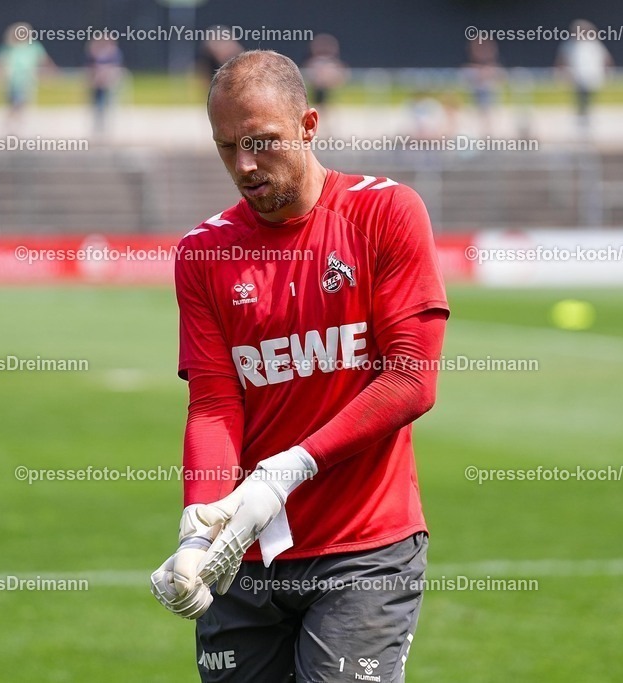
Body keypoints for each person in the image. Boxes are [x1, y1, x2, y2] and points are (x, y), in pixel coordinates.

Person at [150, 50, 449, 682]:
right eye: (227, 147)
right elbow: (213, 403)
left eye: (261, 142)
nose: (245, 166)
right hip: (243, 554)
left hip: (363, 549)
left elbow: (410, 379)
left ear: (309, 126)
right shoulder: (202, 254)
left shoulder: (384, 213)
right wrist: (198, 530)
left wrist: (282, 474)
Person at [0, 22, 54, 132]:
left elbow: (44, 60)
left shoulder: (33, 47)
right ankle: (10, 127)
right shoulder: (8, 48)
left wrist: (49, 73)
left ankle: (14, 127)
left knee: (21, 105)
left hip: (27, 82)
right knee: (15, 105)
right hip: (12, 82)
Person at [555, 19, 613, 137]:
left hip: (592, 77)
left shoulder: (594, 44)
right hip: (577, 77)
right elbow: (562, 59)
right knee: (580, 98)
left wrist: (607, 73)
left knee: (589, 98)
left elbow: (606, 59)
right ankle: (581, 120)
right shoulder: (569, 45)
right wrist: (562, 73)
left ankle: (589, 119)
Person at [464, 37, 503, 136]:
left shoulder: (497, 71)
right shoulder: (468, 70)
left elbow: (502, 81)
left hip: (493, 113)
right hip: (473, 113)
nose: (482, 51)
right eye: (479, 48)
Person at [86, 37, 122, 135]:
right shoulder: (96, 52)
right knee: (97, 104)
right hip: (97, 82)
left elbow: (115, 66)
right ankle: (98, 126)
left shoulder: (113, 52)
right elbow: (91, 65)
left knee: (109, 103)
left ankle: (108, 126)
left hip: (108, 82)